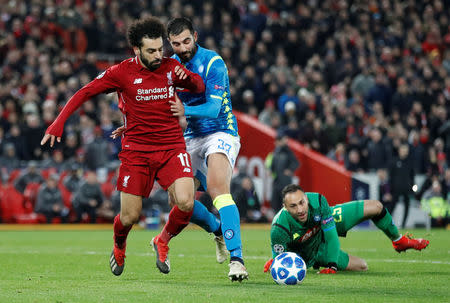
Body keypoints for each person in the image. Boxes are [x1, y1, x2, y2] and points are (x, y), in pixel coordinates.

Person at [40, 17, 206, 276]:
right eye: (151, 51)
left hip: (171, 146)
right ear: (136, 50)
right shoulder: (120, 73)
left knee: (186, 202)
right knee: (129, 218)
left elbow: (199, 86)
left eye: (160, 49)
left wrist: (191, 79)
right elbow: (85, 92)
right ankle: (119, 244)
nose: (157, 55)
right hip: (137, 152)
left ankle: (162, 241)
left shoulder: (171, 67)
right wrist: (58, 122)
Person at [167, 17, 248, 281]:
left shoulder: (213, 62)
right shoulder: (172, 67)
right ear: (170, 43)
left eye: (186, 41)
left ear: (195, 36)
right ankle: (216, 228)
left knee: (216, 189)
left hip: (221, 131)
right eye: (176, 43)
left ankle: (237, 260)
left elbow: (213, 108)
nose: (183, 47)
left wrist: (185, 110)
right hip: (192, 136)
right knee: (178, 199)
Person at [263, 184, 429, 274]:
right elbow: (280, 260)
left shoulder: (319, 202)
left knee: (376, 206)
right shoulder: (279, 228)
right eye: (293, 206)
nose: (300, 210)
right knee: (363, 266)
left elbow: (331, 234)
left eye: (302, 203)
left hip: (324, 227)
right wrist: (276, 261)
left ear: (306, 198)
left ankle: (398, 241)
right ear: (285, 207)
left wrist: (333, 264)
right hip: (312, 253)